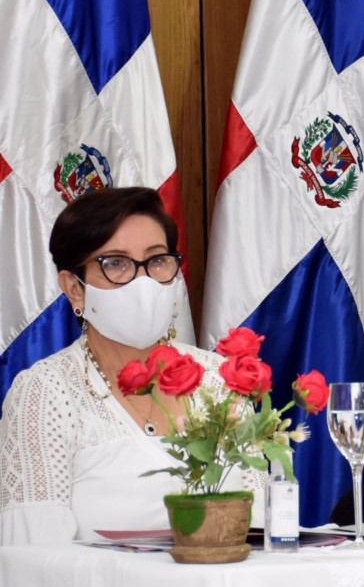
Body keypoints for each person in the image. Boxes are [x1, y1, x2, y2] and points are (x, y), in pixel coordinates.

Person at [0, 188, 263, 545]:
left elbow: (260, 526)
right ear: (74, 288)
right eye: (116, 263)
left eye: (157, 260)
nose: (143, 281)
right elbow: (34, 557)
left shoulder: (218, 378)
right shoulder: (46, 392)